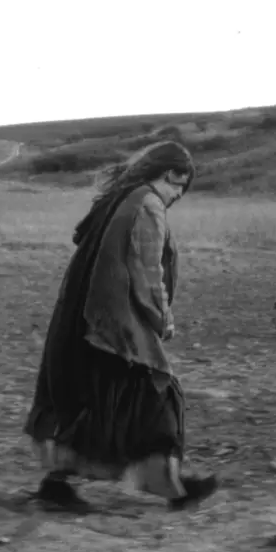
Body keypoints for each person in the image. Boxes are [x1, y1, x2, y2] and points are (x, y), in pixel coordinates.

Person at [23, 140, 218, 512]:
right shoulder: (148, 205)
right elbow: (147, 273)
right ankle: (169, 487)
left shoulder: (124, 197)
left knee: (90, 399)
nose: (178, 195)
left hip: (84, 318)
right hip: (115, 323)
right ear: (168, 175)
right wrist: (163, 320)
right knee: (156, 395)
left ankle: (57, 484)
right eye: (178, 186)